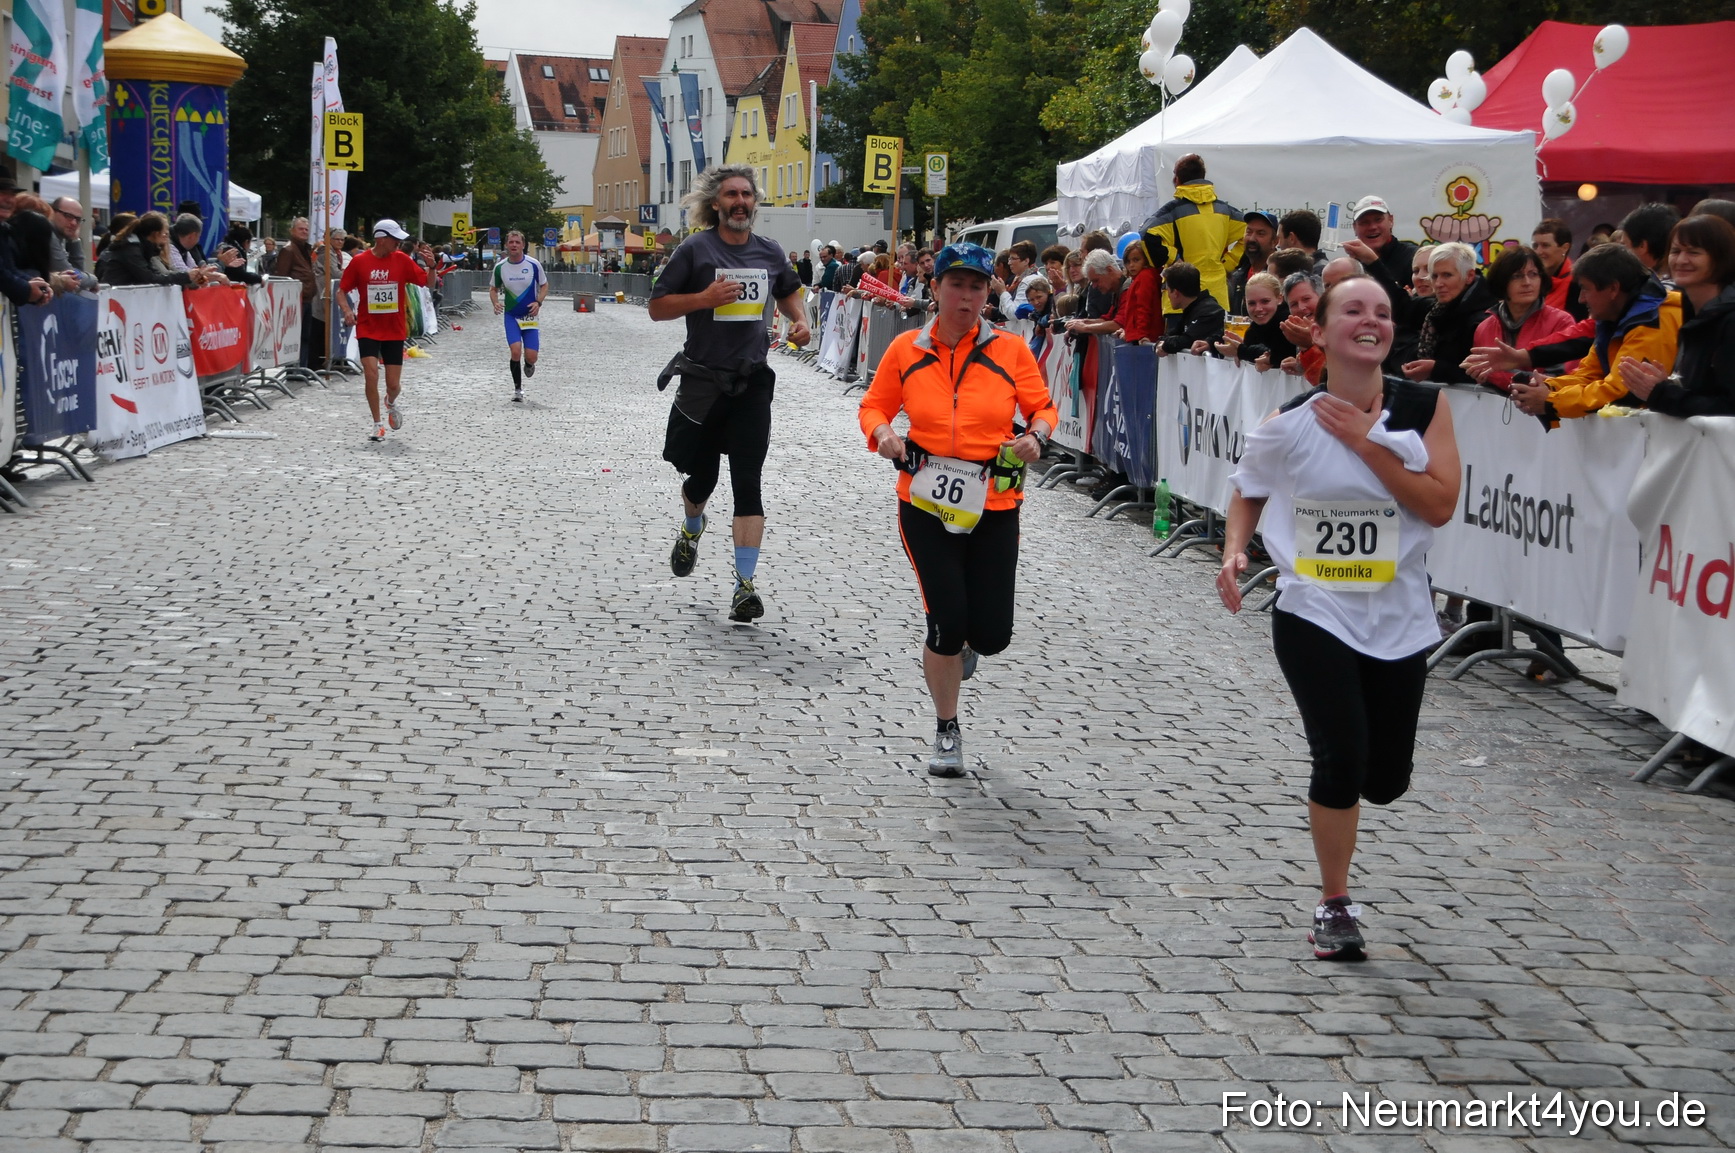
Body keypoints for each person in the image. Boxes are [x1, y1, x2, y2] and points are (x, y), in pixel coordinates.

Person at [1217, 276, 1461, 961]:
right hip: (1312, 610)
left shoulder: (1422, 407)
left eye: (1381, 312)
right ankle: (1334, 902)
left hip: (1399, 615)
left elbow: (1439, 503)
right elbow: (1248, 491)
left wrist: (1365, 441)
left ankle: (1358, 814)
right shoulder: (1287, 422)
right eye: (1352, 309)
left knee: (1383, 779)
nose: (1370, 320)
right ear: (1318, 331)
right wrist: (1236, 551)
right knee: (1340, 756)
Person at [858, 242, 1058, 777]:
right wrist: (882, 433)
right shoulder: (906, 348)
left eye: (977, 286)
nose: (967, 296)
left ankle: (968, 641)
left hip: (994, 500)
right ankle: (947, 728)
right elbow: (875, 404)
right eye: (957, 285)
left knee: (991, 634)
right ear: (936, 288)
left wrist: (1037, 434)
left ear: (988, 292)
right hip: (924, 497)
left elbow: (1041, 406)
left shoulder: (1010, 351)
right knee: (945, 619)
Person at [648, 164, 809, 623]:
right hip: (702, 383)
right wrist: (704, 298)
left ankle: (744, 586)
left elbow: (789, 292)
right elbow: (657, 307)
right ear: (716, 204)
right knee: (701, 481)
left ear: (754, 202)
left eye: (747, 194)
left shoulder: (770, 251)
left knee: (748, 483)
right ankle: (692, 526)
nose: (740, 202)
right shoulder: (695, 250)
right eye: (731, 195)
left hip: (751, 383)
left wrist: (799, 322)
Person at [1511, 243, 1681, 424]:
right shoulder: (1617, 316)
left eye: (1585, 288)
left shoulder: (1651, 321)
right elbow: (1590, 374)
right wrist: (1549, 387)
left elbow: (1621, 391)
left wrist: (1551, 400)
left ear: (1613, 289)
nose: (1581, 298)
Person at [1616, 214, 1735, 418]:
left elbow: (1729, 407)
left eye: (1693, 252)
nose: (1681, 260)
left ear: (1720, 258)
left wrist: (1662, 394)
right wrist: (1669, 386)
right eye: (1675, 251)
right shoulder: (1691, 312)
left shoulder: (1730, 321)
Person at [338, 220, 434, 442]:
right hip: (368, 328)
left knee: (394, 385)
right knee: (371, 375)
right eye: (395, 238)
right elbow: (341, 291)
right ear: (381, 238)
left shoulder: (402, 260)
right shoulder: (360, 262)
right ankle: (377, 423)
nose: (399, 243)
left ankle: (390, 402)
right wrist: (347, 311)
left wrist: (432, 267)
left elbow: (428, 284)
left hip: (394, 329)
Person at [1140, 153, 1245, 312]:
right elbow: (1249, 232)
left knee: (1180, 337)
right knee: (1215, 337)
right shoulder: (1224, 210)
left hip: (1181, 295)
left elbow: (1146, 235)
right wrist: (1227, 263)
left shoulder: (1172, 211)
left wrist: (1174, 259)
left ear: (1177, 179)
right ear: (1202, 176)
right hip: (1217, 296)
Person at [1466, 247, 1578, 392]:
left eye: (1533, 274)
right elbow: (1482, 379)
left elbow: (1558, 381)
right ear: (1501, 281)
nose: (1527, 282)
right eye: (1517, 276)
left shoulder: (1561, 322)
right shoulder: (1483, 328)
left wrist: (1494, 375)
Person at [1342, 196, 1418, 368]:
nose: (1372, 227)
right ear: (1355, 228)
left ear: (1391, 221)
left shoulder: (1412, 258)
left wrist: (1373, 263)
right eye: (1364, 222)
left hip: (1402, 361)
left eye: (1378, 220)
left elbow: (1408, 311)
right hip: (1361, 358)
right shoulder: (1353, 267)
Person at [1402, 243, 1493, 385]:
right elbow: (1399, 303)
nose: (1438, 283)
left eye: (1447, 275)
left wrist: (1435, 369)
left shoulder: (1484, 319)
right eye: (1434, 276)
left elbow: (1488, 375)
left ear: (1469, 276)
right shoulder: (1438, 310)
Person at [490, 229, 548, 402]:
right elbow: (493, 289)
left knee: (531, 356)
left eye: (517, 242)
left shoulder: (533, 264)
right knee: (515, 351)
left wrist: (538, 302)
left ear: (523, 245)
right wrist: (495, 303)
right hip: (512, 315)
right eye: (511, 242)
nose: (514, 245)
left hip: (529, 316)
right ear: (506, 245)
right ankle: (518, 389)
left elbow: (544, 285)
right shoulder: (500, 267)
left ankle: (529, 364)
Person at [94, 211, 205, 289]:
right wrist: (188, 276)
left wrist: (198, 278)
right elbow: (151, 277)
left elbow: (164, 273)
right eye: (164, 232)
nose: (167, 236)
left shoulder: (146, 249)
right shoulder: (132, 249)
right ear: (155, 234)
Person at [1210, 271, 1294, 368]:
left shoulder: (1288, 322)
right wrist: (1211, 343)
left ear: (1279, 299)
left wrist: (1241, 351)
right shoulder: (1254, 328)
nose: (1258, 308)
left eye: (1265, 301)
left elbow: (1283, 354)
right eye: (1252, 303)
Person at [1157, 261, 1225, 353]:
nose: (1167, 295)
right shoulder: (1191, 309)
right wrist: (1161, 342)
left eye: (1167, 290)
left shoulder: (1209, 311)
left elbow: (1188, 340)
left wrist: (1165, 345)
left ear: (1176, 293)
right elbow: (1172, 335)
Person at [277, 217, 317, 368]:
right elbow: (282, 275)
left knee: (305, 337)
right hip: (294, 299)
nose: (304, 232)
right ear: (292, 230)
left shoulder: (305, 248)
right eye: (301, 229)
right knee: (294, 337)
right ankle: (293, 369)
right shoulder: (288, 250)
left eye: (306, 229)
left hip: (306, 298)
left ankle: (302, 367)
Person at [1109, 236, 1160, 345]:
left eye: (1136, 260)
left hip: (1144, 337)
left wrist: (1142, 334)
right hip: (1140, 335)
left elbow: (1143, 307)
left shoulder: (1145, 277)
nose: (1131, 265)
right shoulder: (1139, 278)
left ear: (1145, 260)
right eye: (1128, 261)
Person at [1530, 219, 1584, 320]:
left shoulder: (1578, 284)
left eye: (1545, 245)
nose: (1538, 251)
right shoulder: (1529, 281)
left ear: (1565, 248)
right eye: (1535, 246)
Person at [1229, 209, 1278, 313]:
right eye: (1249, 232)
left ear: (1275, 241)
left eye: (1260, 233)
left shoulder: (1281, 276)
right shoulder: (1237, 276)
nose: (1252, 238)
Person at [1279, 271, 1324, 383]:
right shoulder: (1296, 331)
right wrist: (1301, 366)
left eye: (1306, 299)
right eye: (1294, 304)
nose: (1301, 307)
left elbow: (1332, 379)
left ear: (1322, 297)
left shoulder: (1340, 326)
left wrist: (1310, 345)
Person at [1619, 203, 1680, 284]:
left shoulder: (1656, 291)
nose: (1621, 252)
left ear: (1642, 246)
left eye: (1624, 245)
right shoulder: (1685, 282)